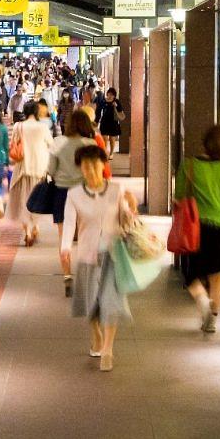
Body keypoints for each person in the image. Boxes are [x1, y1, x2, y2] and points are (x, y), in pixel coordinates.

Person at [61, 146, 135, 372]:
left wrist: (130, 208)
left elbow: (128, 214)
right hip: (87, 254)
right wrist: (65, 247)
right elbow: (69, 223)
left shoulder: (116, 189)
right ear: (80, 168)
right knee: (90, 304)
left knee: (111, 302)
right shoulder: (74, 195)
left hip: (113, 253)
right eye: (86, 165)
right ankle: (96, 334)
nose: (91, 169)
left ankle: (108, 349)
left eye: (95, 164)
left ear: (104, 165)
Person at [175, 125, 220, 333]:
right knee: (218, 276)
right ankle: (212, 317)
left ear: (206, 141)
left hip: (196, 230)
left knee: (191, 276)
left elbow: (179, 199)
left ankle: (203, 303)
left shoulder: (189, 166)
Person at [49, 109, 99, 295]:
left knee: (64, 235)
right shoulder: (90, 143)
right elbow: (97, 173)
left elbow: (51, 169)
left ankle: (67, 276)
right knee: (86, 235)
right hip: (86, 192)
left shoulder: (58, 143)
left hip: (62, 192)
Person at [8, 100, 54, 246]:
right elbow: (51, 145)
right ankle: (36, 226)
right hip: (39, 168)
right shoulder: (43, 127)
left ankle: (27, 230)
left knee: (24, 201)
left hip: (22, 168)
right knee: (37, 201)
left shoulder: (18, 126)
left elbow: (14, 144)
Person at [95, 88, 125, 157]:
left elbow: (120, 111)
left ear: (114, 96)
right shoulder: (103, 101)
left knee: (112, 139)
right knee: (104, 138)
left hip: (113, 122)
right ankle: (105, 152)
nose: (110, 96)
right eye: (109, 94)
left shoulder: (116, 101)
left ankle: (111, 153)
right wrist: (96, 121)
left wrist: (116, 106)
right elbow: (98, 111)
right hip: (104, 122)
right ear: (107, 93)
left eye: (112, 95)